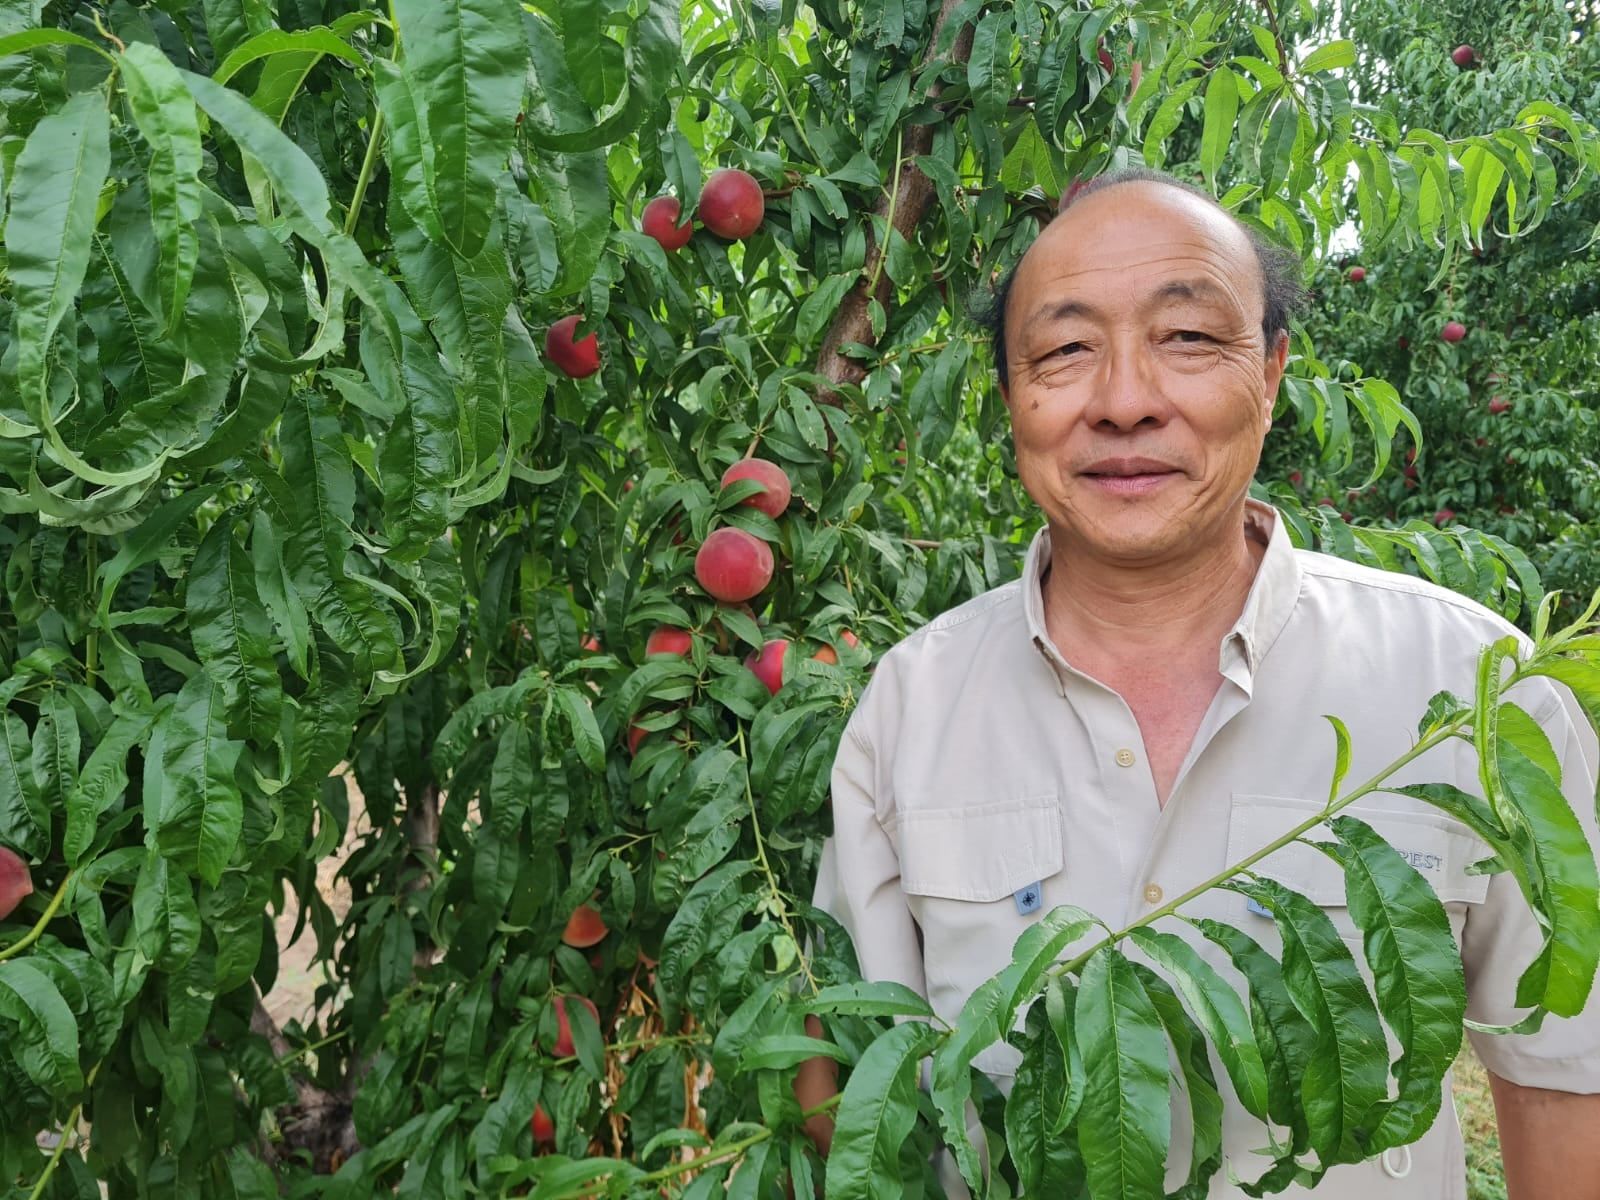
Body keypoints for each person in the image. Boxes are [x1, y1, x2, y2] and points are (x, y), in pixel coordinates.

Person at [797, 168, 1600, 1199]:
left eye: (1186, 339)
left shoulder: (1478, 692)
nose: (1125, 401)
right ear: (1009, 396)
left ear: (1269, 373)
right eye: (1064, 351)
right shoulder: (908, 709)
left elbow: (1562, 1077)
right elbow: (863, 1110)